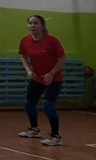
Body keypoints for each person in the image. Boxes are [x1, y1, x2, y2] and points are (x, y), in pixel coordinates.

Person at [18, 14, 67, 146]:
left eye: (36, 23)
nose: (32, 26)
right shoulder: (25, 40)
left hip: (53, 78)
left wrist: (51, 73)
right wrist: (29, 70)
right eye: (30, 23)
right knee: (29, 104)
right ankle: (34, 129)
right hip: (37, 77)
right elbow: (24, 57)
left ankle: (55, 136)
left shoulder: (52, 41)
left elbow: (62, 58)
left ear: (43, 26)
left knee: (47, 105)